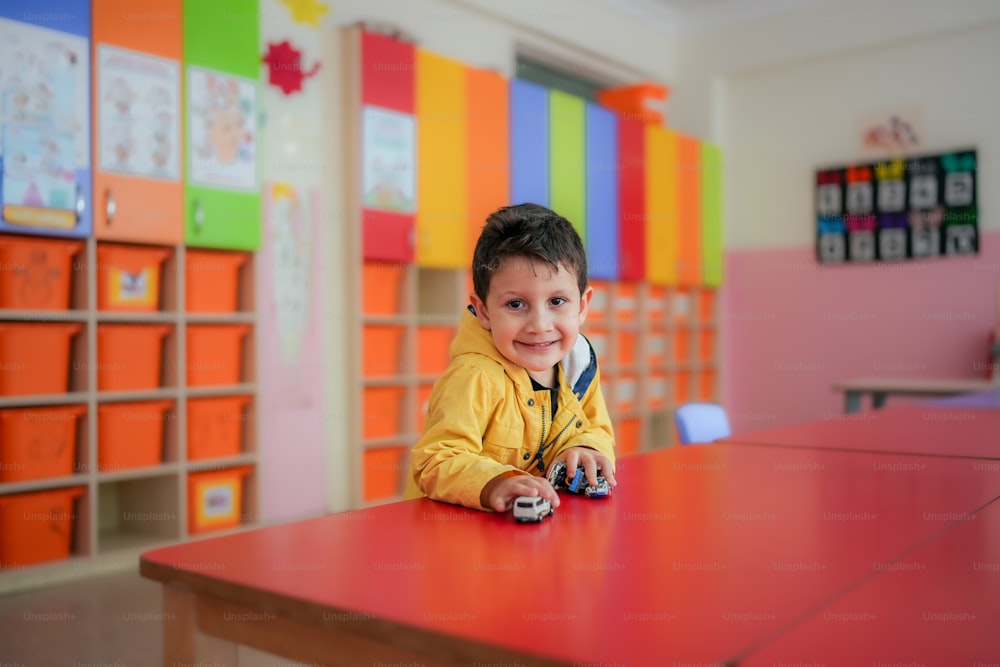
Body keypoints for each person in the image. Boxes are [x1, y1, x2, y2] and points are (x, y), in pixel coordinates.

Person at [404, 203, 617, 512]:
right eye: (516, 304)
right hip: (455, 538)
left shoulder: (578, 365)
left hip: (530, 535)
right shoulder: (474, 375)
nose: (540, 326)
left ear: (582, 306)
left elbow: (596, 428)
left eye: (557, 301)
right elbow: (436, 460)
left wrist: (585, 447)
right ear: (484, 311)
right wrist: (494, 483)